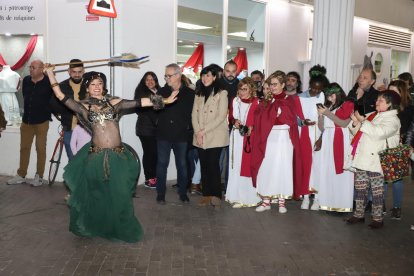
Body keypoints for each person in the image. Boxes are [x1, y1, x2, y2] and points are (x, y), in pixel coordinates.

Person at [44, 64, 178, 242]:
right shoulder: (83, 106)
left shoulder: (114, 102)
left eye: (99, 83)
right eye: (92, 84)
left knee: (120, 194)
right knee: (97, 194)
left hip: (118, 156)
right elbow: (61, 96)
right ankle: (95, 225)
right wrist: (50, 74)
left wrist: (165, 100)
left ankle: (120, 228)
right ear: (87, 88)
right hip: (96, 157)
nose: (97, 86)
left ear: (103, 85)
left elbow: (140, 102)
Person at [346, 90, 401, 229]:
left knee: (377, 192)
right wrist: (354, 123)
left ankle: (378, 218)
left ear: (390, 104)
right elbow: (357, 132)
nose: (377, 102)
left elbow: (378, 133)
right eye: (377, 99)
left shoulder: (393, 120)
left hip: (377, 160)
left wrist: (363, 121)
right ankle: (358, 214)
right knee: (360, 189)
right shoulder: (373, 115)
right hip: (363, 157)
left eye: (381, 100)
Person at [251, 71, 302, 213]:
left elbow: (290, 119)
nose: (272, 87)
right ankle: (266, 201)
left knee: (282, 168)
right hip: (268, 137)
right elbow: (259, 117)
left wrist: (276, 114)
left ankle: (281, 201)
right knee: (266, 167)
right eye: (271, 84)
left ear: (283, 85)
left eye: (275, 84)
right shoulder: (267, 100)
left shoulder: (290, 100)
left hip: (284, 138)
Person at [7, 60, 53, 187]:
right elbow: (25, 96)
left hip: (42, 121)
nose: (30, 69)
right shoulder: (26, 80)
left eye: (33, 67)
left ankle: (39, 176)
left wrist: (51, 74)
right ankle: (21, 175)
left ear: (41, 69)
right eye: (30, 67)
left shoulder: (49, 81)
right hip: (26, 121)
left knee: (40, 149)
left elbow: (55, 95)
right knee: (24, 148)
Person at [156, 63, 195, 204]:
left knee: (182, 165)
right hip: (163, 135)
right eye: (165, 75)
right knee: (161, 164)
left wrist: (189, 128)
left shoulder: (190, 93)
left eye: (169, 75)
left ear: (178, 75)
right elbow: (154, 109)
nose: (167, 78)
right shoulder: (161, 92)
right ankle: (160, 194)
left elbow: (194, 114)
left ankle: (183, 193)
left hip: (181, 135)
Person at [192, 65, 229, 209]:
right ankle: (206, 195)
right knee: (204, 165)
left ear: (214, 77)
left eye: (208, 75)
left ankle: (216, 195)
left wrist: (203, 131)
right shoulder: (198, 93)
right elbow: (193, 114)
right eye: (203, 75)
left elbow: (221, 116)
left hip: (215, 135)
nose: (205, 78)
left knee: (213, 165)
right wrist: (197, 132)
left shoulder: (222, 93)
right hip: (200, 135)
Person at [316, 83, 354, 213]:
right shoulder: (329, 106)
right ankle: (328, 202)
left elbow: (343, 123)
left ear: (337, 93)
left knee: (340, 171)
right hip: (328, 140)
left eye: (331, 95)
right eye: (328, 96)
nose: (330, 98)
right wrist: (321, 116)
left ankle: (342, 203)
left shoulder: (347, 104)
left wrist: (326, 113)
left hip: (340, 139)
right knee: (328, 171)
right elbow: (321, 128)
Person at [295, 65, 329, 209]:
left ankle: (317, 198)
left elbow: (327, 119)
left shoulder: (324, 97)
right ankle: (305, 196)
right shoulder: (300, 97)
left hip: (319, 132)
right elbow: (295, 117)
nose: (316, 91)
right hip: (305, 133)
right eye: (314, 88)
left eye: (319, 89)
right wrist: (303, 122)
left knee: (318, 166)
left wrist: (322, 136)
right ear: (309, 85)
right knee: (306, 165)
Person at [225, 77, 260, 208]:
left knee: (245, 167)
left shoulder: (257, 103)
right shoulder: (235, 100)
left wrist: (252, 127)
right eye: (240, 89)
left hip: (249, 138)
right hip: (236, 136)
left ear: (251, 90)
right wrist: (234, 121)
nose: (241, 92)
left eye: (245, 89)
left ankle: (247, 198)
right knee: (235, 166)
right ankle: (235, 195)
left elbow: (259, 122)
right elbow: (230, 117)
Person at [384, 80, 414, 219]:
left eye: (395, 91)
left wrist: (407, 146)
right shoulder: (386, 106)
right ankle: (381, 204)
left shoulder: (408, 109)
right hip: (385, 143)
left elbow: (409, 129)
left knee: (397, 179)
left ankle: (397, 207)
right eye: (389, 90)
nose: (391, 93)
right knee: (382, 177)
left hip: (400, 145)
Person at [50, 59, 87, 160]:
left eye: (79, 72)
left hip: (87, 130)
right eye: (74, 72)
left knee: (87, 160)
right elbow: (53, 105)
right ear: (69, 71)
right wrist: (63, 113)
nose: (77, 74)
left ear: (84, 71)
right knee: (72, 160)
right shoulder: (62, 86)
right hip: (69, 129)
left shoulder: (89, 85)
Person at [134, 72, 161, 189]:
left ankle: (154, 177)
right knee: (150, 153)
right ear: (143, 82)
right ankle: (149, 178)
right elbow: (141, 110)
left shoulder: (159, 91)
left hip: (157, 129)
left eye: (152, 79)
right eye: (147, 80)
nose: (150, 82)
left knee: (156, 153)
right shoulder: (141, 92)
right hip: (145, 129)